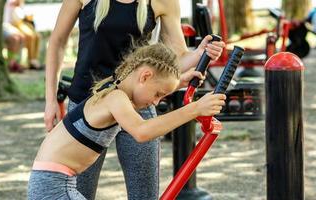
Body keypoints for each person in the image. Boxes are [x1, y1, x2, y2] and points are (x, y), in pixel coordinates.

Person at [44, 0, 225, 199]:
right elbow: (57, 42)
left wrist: (200, 54)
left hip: (138, 102)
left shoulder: (163, 2)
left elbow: (176, 61)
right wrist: (51, 99)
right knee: (79, 191)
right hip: (89, 106)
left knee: (144, 194)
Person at [3, 0, 41, 70]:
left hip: (20, 21)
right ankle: (13, 62)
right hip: (13, 23)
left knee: (37, 36)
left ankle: (33, 59)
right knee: (27, 36)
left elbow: (21, 10)